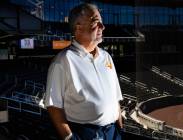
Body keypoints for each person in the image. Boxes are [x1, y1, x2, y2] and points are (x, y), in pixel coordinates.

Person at [44, 3, 123, 140]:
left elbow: (115, 96)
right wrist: (69, 137)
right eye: (96, 22)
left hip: (113, 132)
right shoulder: (63, 61)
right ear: (78, 27)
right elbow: (53, 105)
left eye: (102, 22)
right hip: (87, 134)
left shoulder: (107, 57)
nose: (102, 27)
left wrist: (119, 125)